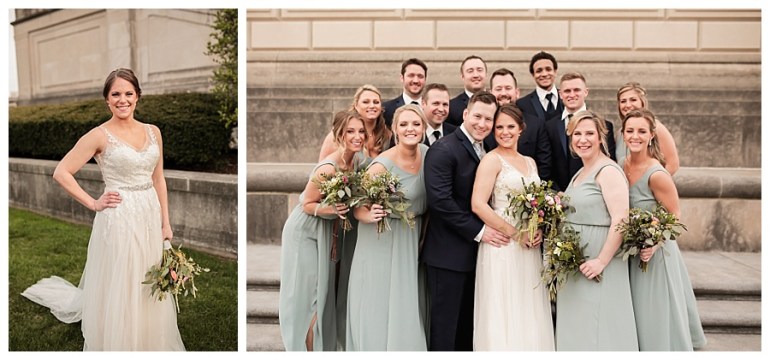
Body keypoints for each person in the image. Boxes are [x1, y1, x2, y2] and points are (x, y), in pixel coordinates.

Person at [21, 68, 185, 351]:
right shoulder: (99, 136)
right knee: (123, 275)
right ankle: (119, 336)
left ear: (138, 96)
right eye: (116, 94)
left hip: (149, 213)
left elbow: (158, 179)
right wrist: (94, 203)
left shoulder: (153, 132)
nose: (123, 100)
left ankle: (147, 333)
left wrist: (165, 223)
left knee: (148, 272)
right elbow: (62, 172)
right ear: (107, 100)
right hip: (119, 216)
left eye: (128, 93)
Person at [422, 91, 510, 351]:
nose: (482, 124)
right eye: (477, 117)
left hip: (475, 255)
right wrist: (480, 231)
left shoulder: (486, 149)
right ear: (465, 114)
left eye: (488, 119)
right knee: (445, 330)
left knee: (467, 329)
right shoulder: (444, 149)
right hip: (448, 255)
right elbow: (441, 202)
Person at [279, 110, 367, 351]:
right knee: (309, 297)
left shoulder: (357, 162)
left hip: (328, 232)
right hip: (305, 232)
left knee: (323, 295)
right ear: (339, 135)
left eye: (361, 131)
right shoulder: (328, 167)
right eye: (350, 131)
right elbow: (306, 203)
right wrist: (330, 209)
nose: (357, 136)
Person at [470, 104, 554, 351]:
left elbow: (537, 203)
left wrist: (538, 228)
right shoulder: (491, 160)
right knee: (503, 303)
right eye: (499, 127)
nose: (504, 132)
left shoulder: (530, 162)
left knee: (528, 302)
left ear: (521, 129)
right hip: (503, 242)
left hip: (529, 245)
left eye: (510, 127)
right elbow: (478, 204)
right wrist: (516, 234)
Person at [622, 109, 706, 350]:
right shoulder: (623, 166)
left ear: (651, 135)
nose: (635, 136)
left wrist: (653, 243)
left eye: (641, 131)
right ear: (623, 134)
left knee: (655, 309)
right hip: (631, 251)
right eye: (630, 131)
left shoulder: (657, 174)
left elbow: (674, 216)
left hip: (655, 254)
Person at [346, 104, 429, 350]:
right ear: (395, 130)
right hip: (382, 238)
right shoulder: (381, 165)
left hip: (412, 236)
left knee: (406, 298)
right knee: (379, 298)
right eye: (404, 124)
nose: (410, 129)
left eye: (416, 124)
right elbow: (357, 206)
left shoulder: (427, 154)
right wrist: (367, 214)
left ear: (424, 128)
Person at [556, 110, 637, 351]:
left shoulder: (608, 171)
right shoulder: (581, 172)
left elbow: (621, 219)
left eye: (589, 133)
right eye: (577, 134)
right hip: (576, 262)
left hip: (599, 259)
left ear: (601, 137)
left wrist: (601, 261)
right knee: (579, 324)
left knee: (599, 324)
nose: (583, 139)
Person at [545, 72, 616, 191]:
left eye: (577, 90)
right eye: (567, 91)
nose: (572, 95)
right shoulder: (549, 126)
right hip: (558, 194)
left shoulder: (605, 125)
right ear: (560, 94)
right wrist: (556, 192)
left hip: (592, 191)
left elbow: (608, 161)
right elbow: (546, 163)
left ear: (586, 92)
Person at [487, 68, 551, 179]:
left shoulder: (536, 125)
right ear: (490, 93)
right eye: (498, 89)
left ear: (517, 92)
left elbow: (544, 165)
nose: (503, 93)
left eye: (508, 88)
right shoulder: (483, 125)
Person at [615, 82, 680, 175]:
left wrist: (652, 182)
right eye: (623, 101)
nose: (628, 105)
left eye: (633, 100)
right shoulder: (620, 133)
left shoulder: (656, 128)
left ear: (642, 102)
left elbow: (672, 164)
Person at [319, 84, 392, 161]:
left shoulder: (387, 134)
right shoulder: (339, 133)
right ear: (356, 105)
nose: (372, 106)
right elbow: (322, 164)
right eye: (366, 102)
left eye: (376, 102)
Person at [516, 51, 563, 123]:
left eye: (548, 69)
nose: (544, 74)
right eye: (539, 71)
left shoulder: (567, 97)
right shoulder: (522, 104)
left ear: (555, 72)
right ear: (533, 75)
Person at [383, 58, 428, 127]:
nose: (416, 81)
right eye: (411, 75)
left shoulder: (432, 109)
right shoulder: (386, 109)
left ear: (425, 79)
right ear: (402, 78)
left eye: (420, 76)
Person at [447, 55, 487, 127]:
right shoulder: (451, 107)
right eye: (470, 71)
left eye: (479, 70)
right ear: (463, 77)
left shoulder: (497, 103)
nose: (475, 75)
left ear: (486, 74)